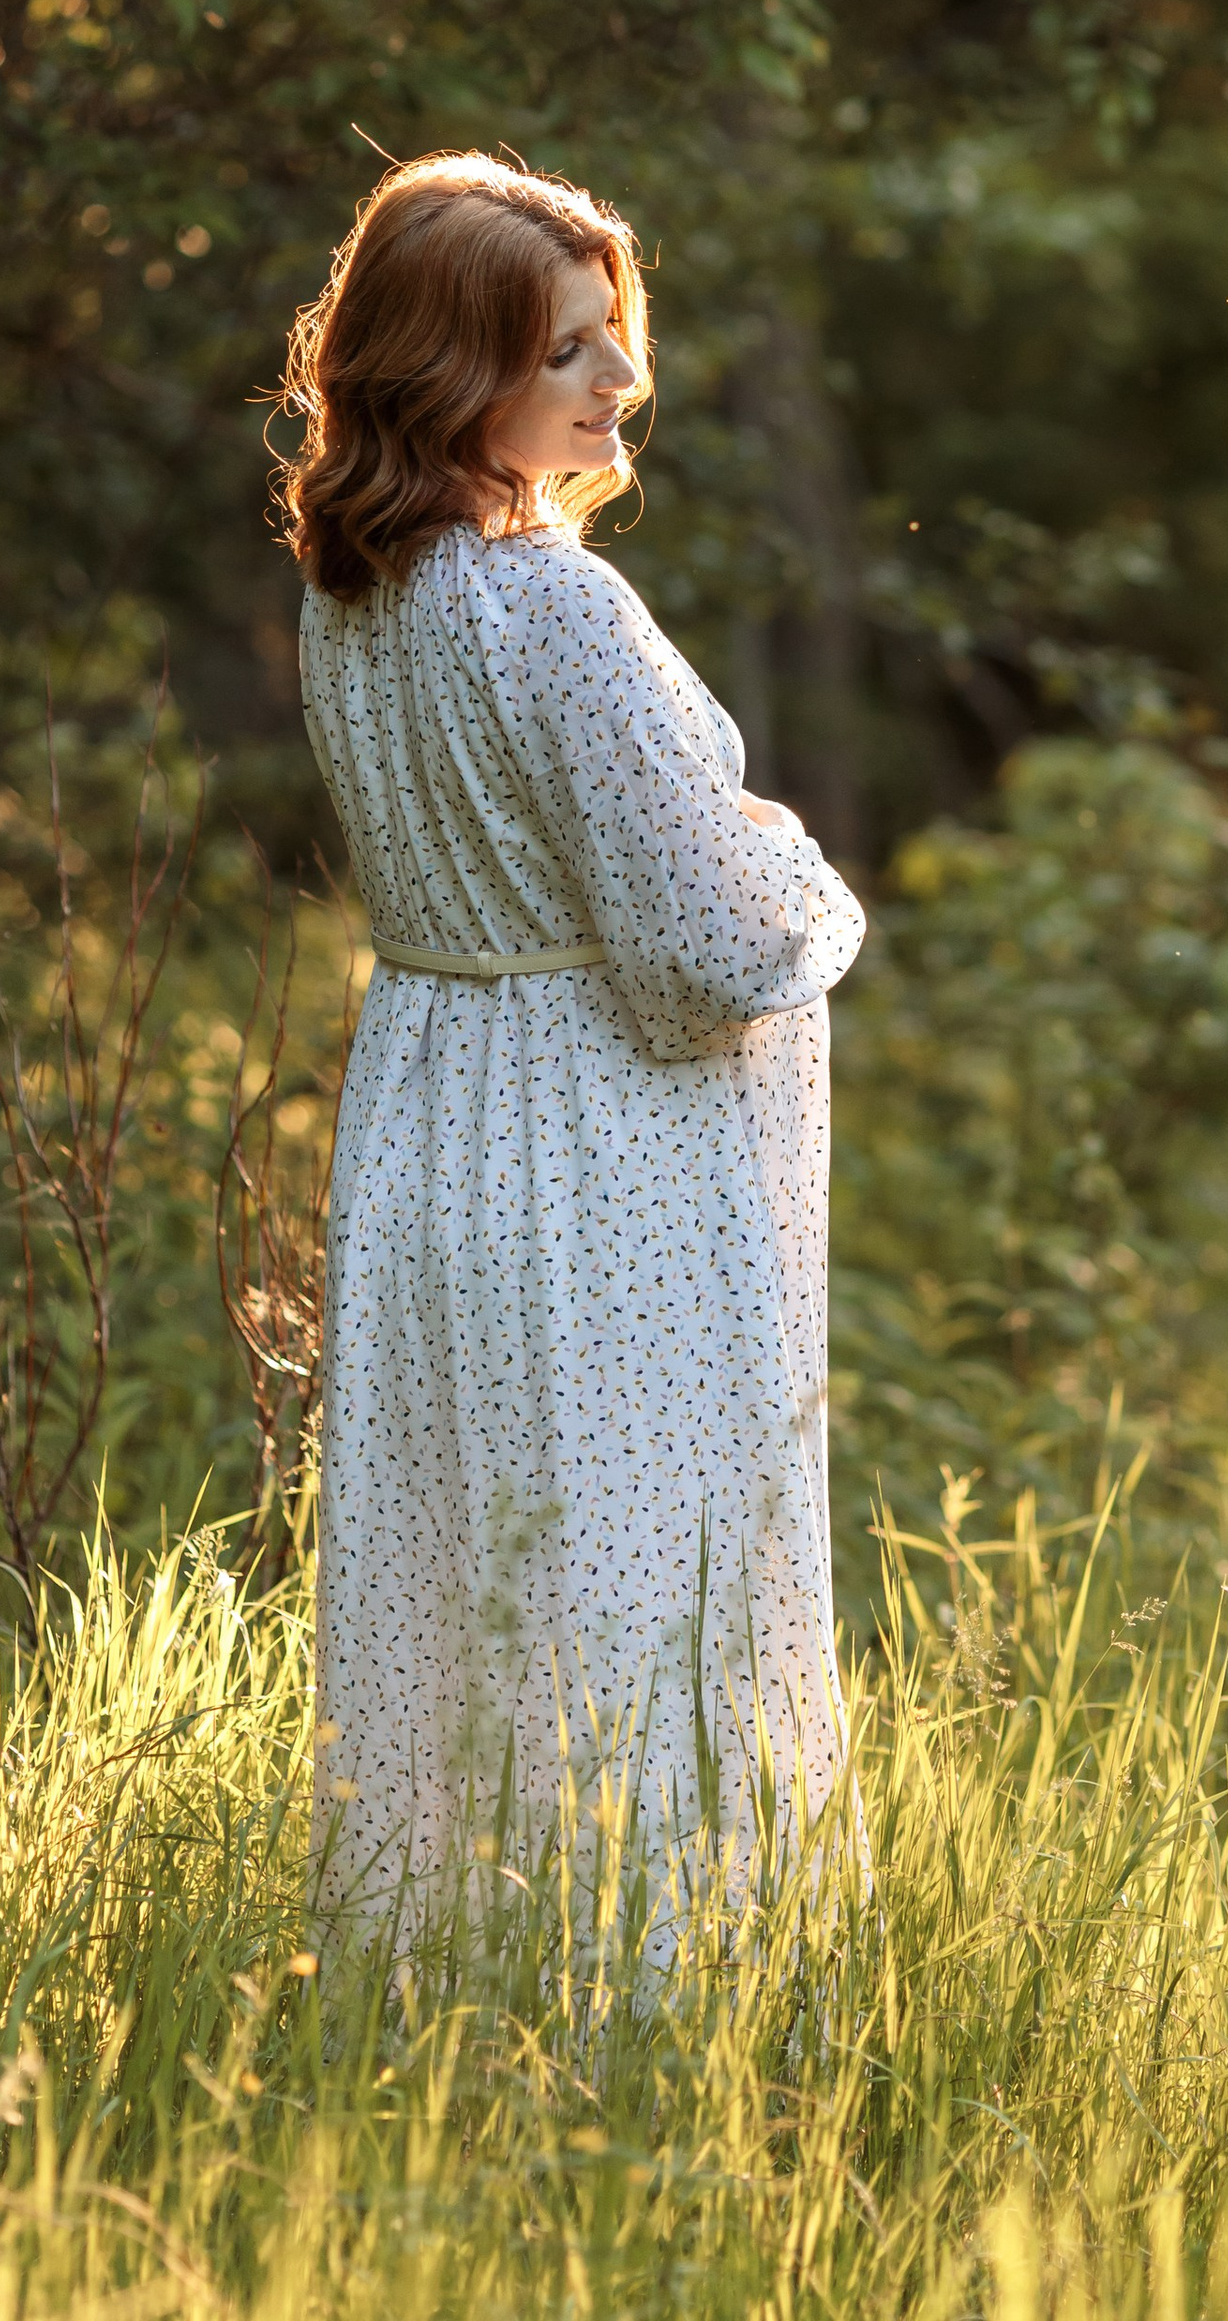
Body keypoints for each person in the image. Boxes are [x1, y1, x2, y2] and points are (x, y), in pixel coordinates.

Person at [277, 149, 867, 1951]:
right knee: (640, 1574)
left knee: (470, 1567)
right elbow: (706, 953)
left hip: (434, 1115)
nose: (622, 385)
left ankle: (451, 1972)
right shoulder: (549, 606)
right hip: (603, 1141)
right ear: (449, 381)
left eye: (618, 338)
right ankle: (643, 2013)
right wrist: (805, 882)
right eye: (566, 357)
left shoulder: (354, 599)